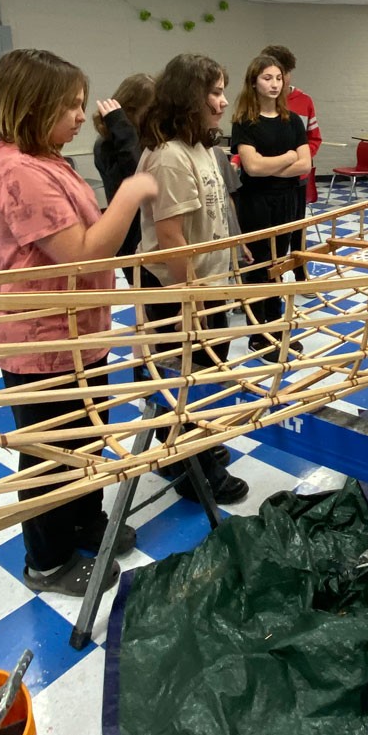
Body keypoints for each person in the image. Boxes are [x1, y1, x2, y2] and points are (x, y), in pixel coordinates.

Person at [0, 49, 157, 597]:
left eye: (82, 104)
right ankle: (48, 560)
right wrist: (129, 192)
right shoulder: (19, 173)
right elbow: (85, 253)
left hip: (79, 336)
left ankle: (85, 523)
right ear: (32, 106)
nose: (81, 115)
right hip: (43, 342)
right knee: (50, 455)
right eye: (70, 105)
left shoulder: (48, 161)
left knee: (85, 439)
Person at [136, 53, 249, 505]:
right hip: (179, 289)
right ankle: (190, 468)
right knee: (186, 378)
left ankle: (191, 446)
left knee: (204, 375)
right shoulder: (168, 157)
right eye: (215, 93)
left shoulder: (200, 146)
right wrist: (192, 299)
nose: (223, 102)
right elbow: (170, 236)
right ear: (189, 97)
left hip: (209, 284)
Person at [230, 54, 311, 357]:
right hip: (256, 202)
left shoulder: (294, 121)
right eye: (267, 78)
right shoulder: (244, 123)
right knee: (259, 265)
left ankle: (276, 324)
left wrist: (275, 164)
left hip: (287, 200)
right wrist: (288, 158)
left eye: (278, 78)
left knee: (280, 263)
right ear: (254, 82)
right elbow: (252, 168)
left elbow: (305, 163)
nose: (274, 84)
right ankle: (257, 330)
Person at [261, 44, 321, 283]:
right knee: (267, 234)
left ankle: (300, 273)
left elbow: (314, 138)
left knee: (297, 230)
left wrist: (299, 158)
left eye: (282, 74)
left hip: (296, 182)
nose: (278, 81)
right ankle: (267, 279)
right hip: (265, 184)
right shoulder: (255, 103)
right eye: (270, 76)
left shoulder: (304, 101)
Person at [92, 73, 155, 280]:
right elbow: (137, 176)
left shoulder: (145, 138)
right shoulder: (108, 145)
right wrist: (122, 129)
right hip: (131, 239)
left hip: (151, 235)